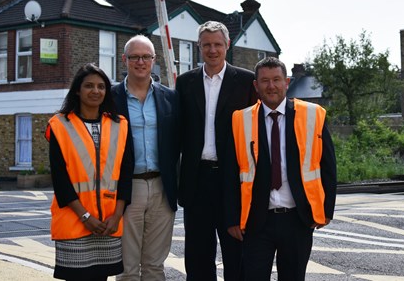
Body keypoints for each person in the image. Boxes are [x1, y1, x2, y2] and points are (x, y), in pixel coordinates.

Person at [224, 57, 337, 281]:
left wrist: (325, 210)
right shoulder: (240, 120)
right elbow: (229, 173)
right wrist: (231, 218)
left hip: (297, 219)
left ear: (287, 82)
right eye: (264, 81)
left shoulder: (313, 115)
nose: (271, 86)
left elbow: (328, 167)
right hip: (256, 221)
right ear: (256, 86)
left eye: (276, 80)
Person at [176, 20, 258, 280]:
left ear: (227, 45)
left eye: (217, 44)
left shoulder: (246, 81)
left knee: (237, 254)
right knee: (198, 258)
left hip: (232, 180)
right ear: (199, 47)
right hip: (197, 180)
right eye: (207, 45)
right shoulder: (184, 82)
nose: (212, 50)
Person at [46, 63, 134, 281]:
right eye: (89, 86)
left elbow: (125, 173)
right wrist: (85, 216)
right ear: (77, 89)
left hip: (108, 223)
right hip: (75, 220)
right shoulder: (60, 124)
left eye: (101, 86)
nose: (96, 91)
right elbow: (60, 179)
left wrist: (117, 215)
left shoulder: (119, 124)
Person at [112, 35, 181, 280]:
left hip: (163, 187)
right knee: (126, 267)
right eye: (134, 57)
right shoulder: (110, 98)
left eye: (146, 57)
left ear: (154, 60)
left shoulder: (170, 98)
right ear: (124, 60)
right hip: (127, 188)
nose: (140, 62)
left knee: (154, 266)